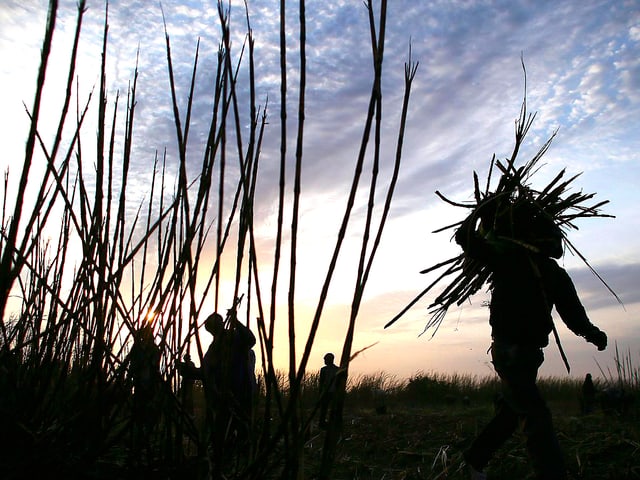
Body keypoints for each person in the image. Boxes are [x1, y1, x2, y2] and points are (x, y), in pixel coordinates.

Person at [455, 199, 607, 480]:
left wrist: (593, 334)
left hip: (529, 354)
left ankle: (475, 460)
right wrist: (482, 211)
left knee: (514, 410)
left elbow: (573, 313)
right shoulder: (508, 259)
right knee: (535, 415)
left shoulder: (552, 274)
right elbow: (465, 239)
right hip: (508, 352)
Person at [318, 352, 339, 429]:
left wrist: (320, 393)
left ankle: (324, 423)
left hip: (329, 392)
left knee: (325, 408)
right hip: (331, 392)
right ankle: (325, 423)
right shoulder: (337, 369)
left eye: (325, 359)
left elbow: (321, 382)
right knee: (326, 409)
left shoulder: (324, 370)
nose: (324, 360)